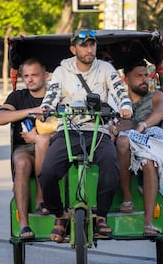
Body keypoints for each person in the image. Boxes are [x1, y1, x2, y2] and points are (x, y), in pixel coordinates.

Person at [38, 28, 133, 243]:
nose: (89, 49)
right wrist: (45, 109)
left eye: (92, 45)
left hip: (97, 131)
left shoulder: (106, 69)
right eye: (83, 45)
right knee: (48, 172)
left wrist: (126, 107)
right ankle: (60, 215)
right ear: (74, 49)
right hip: (68, 131)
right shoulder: (62, 71)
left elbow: (120, 91)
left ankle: (101, 216)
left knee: (111, 166)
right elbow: (51, 96)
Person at [0, 58, 51, 240]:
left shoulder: (55, 95)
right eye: (26, 76)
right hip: (25, 149)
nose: (30, 79)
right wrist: (30, 111)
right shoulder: (18, 97)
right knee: (20, 162)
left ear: (45, 75)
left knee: (45, 142)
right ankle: (23, 224)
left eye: (34, 75)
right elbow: (0, 118)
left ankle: (42, 199)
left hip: (53, 146)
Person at [114, 61, 163, 236]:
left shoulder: (156, 96)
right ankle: (127, 199)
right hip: (123, 148)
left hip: (149, 143)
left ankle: (148, 223)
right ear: (126, 79)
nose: (144, 79)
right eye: (138, 76)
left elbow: (162, 110)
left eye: (145, 75)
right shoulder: (118, 101)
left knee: (149, 161)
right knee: (122, 141)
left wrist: (142, 125)